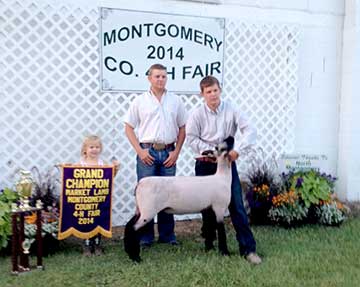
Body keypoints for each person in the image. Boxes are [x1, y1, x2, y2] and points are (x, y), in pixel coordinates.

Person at [186, 75, 262, 265]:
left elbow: (250, 130)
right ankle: (210, 242)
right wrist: (212, 150)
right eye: (208, 92)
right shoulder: (197, 114)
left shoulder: (232, 109)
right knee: (206, 206)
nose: (213, 95)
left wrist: (237, 150)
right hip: (206, 162)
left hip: (227, 164)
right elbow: (191, 138)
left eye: (215, 90)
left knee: (236, 205)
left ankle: (248, 249)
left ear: (220, 90)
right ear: (202, 94)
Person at [124, 64, 186, 247]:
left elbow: (183, 128)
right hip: (147, 152)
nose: (161, 79)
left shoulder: (175, 101)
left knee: (168, 195)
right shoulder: (139, 101)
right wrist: (140, 151)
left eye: (164, 76)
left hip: (168, 152)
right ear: (149, 78)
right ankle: (145, 237)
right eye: (157, 76)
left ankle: (168, 236)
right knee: (147, 196)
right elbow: (128, 127)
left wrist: (176, 152)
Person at [79, 135, 119, 256]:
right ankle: (86, 244)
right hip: (85, 199)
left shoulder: (103, 163)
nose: (94, 149)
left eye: (97, 147)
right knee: (86, 221)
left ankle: (97, 244)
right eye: (91, 147)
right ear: (85, 149)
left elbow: (110, 176)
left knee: (98, 220)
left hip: (100, 198)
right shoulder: (80, 163)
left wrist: (116, 168)